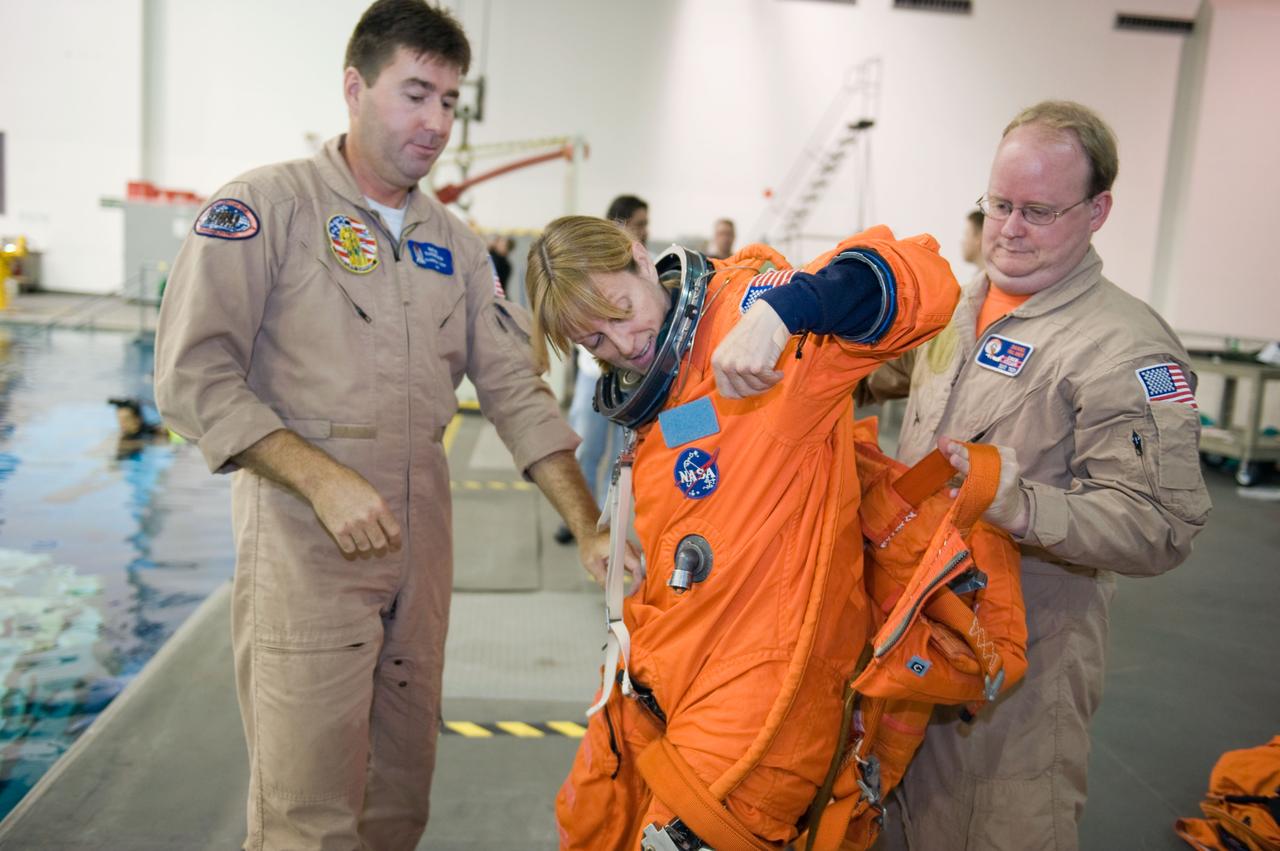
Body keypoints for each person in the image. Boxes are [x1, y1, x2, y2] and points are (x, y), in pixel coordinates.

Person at [153, 3, 615, 848]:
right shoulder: (266, 208)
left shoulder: (459, 247)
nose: (436, 123)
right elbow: (191, 377)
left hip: (420, 546)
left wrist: (588, 526)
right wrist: (322, 477)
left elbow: (516, 389)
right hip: (304, 549)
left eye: (449, 101)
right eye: (416, 94)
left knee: (399, 802)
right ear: (354, 88)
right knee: (309, 818)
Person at [526, 215, 959, 848]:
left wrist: (783, 312)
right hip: (664, 656)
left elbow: (923, 281)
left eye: (621, 313)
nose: (622, 344)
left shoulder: (758, 323)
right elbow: (698, 457)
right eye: (595, 341)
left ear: (642, 261)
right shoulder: (665, 388)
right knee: (594, 823)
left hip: (762, 684)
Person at [858, 100, 1211, 849]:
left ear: (1097, 210)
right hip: (911, 639)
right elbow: (893, 381)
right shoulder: (958, 307)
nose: (1011, 229)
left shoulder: (1125, 350)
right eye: (1000, 205)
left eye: (1039, 211)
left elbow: (1163, 526)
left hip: (1021, 674)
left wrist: (1024, 507)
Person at [553, 195, 648, 544]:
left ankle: (615, 523)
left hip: (637, 385)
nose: (645, 230)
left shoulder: (643, 268)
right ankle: (583, 519)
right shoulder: (588, 267)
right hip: (594, 381)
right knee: (585, 451)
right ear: (620, 224)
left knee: (628, 457)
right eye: (639, 223)